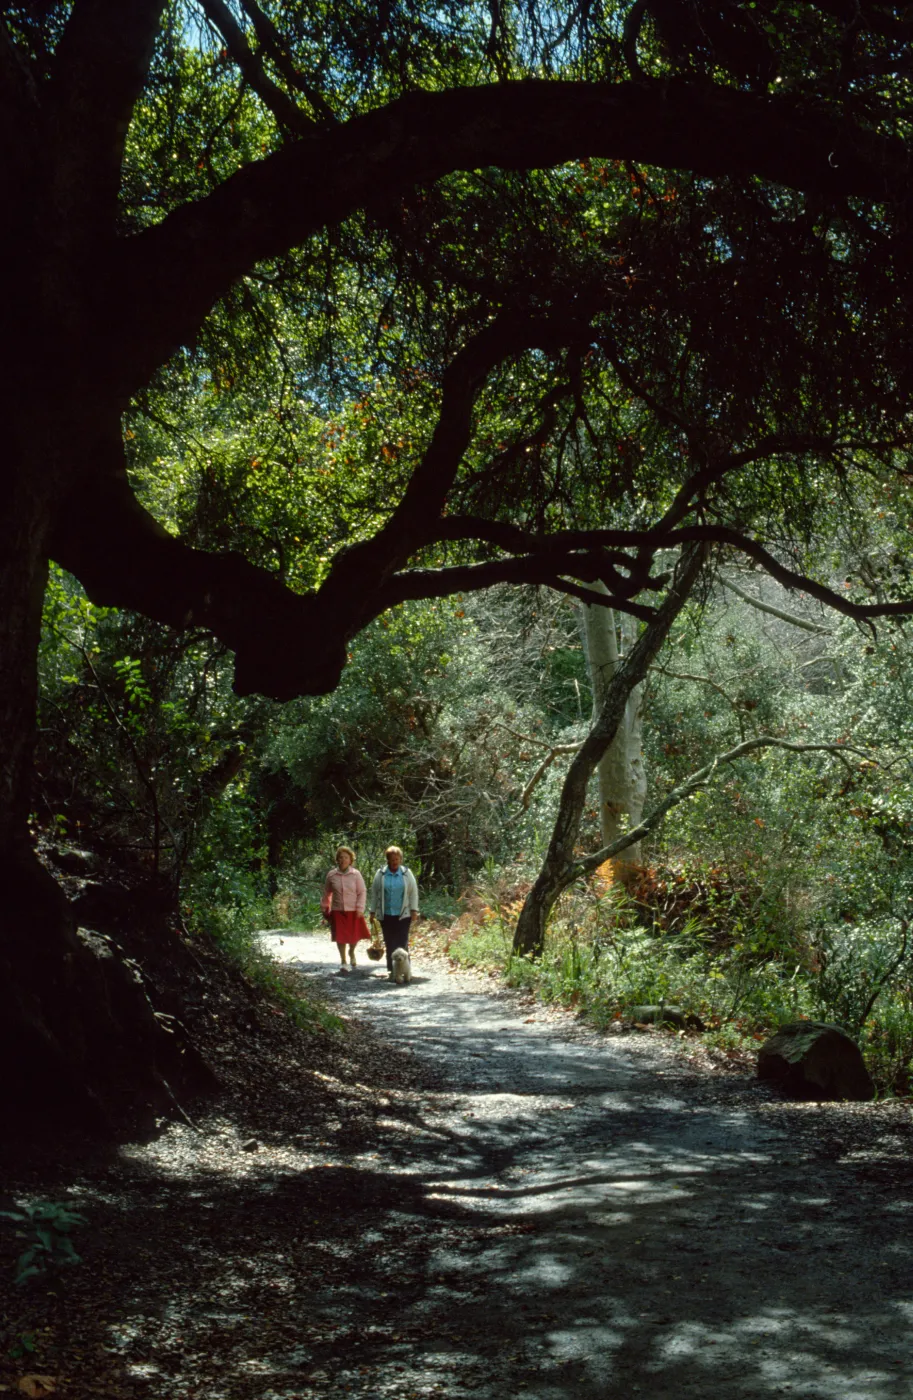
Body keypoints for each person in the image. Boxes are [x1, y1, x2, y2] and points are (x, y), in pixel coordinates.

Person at [368, 845, 420, 979]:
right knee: (390, 942)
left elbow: (413, 893)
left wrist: (414, 910)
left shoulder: (407, 874)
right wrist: (372, 911)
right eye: (392, 859)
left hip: (404, 913)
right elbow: (374, 894)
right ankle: (392, 970)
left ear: (401, 859)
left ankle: (406, 971)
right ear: (388, 860)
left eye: (397, 859)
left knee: (402, 942)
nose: (395, 862)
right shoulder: (381, 874)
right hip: (386, 914)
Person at [322, 846, 367, 973]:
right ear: (337, 859)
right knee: (340, 937)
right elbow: (327, 893)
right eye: (340, 857)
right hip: (337, 910)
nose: (343, 860)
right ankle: (343, 961)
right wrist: (325, 907)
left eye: (346, 857)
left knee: (354, 936)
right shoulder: (331, 875)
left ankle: (351, 952)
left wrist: (360, 908)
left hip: (353, 910)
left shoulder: (356, 874)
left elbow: (362, 892)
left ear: (350, 860)